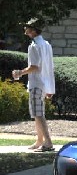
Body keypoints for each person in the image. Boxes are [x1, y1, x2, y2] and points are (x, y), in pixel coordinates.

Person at [12, 18, 55, 152]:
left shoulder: (34, 46)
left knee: (38, 114)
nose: (25, 29)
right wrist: (50, 87)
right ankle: (39, 140)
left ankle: (47, 142)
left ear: (34, 30)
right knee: (37, 113)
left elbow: (35, 67)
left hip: (36, 83)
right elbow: (49, 67)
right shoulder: (46, 44)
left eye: (28, 27)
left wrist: (20, 72)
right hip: (42, 84)